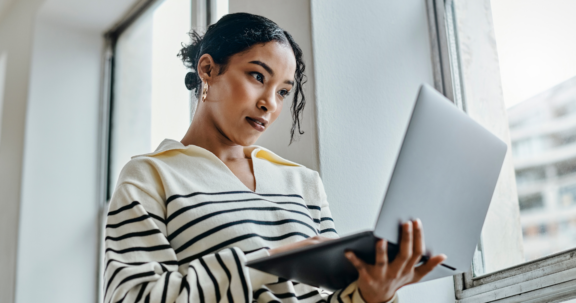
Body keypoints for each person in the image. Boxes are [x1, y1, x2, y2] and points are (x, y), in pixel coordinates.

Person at [103, 12, 446, 303]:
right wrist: (270, 261)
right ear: (208, 69)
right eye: (257, 76)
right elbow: (132, 295)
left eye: (283, 90)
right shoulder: (150, 177)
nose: (271, 103)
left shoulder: (302, 182)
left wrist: (372, 294)